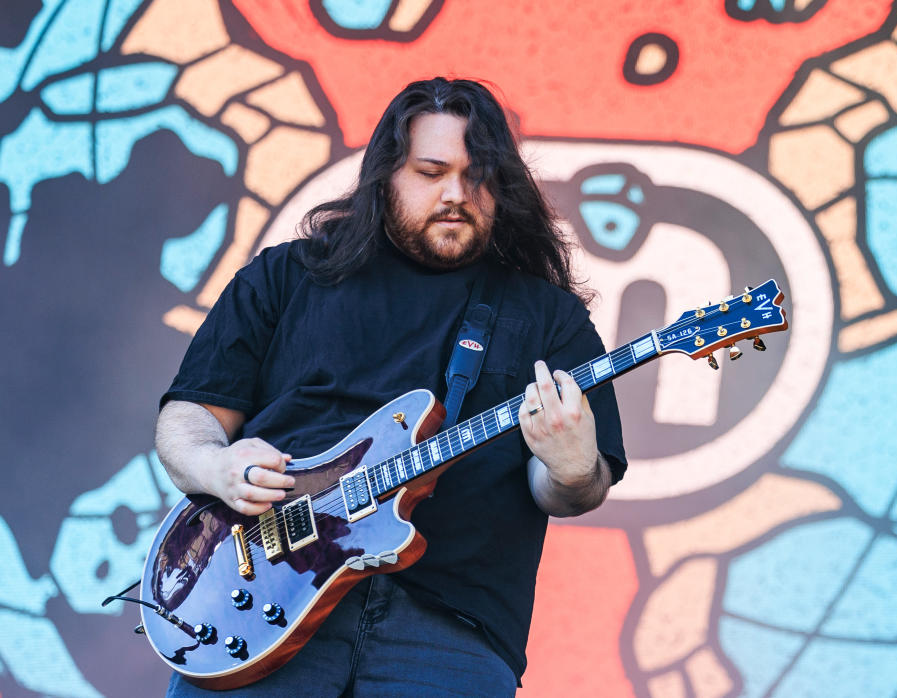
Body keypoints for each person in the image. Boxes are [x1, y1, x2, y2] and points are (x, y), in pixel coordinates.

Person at [155, 77, 626, 696]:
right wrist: (216, 468)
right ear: (386, 177)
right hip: (263, 597)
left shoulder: (548, 318)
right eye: (431, 172)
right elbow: (189, 417)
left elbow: (568, 491)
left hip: (450, 631)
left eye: (477, 175)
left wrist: (571, 468)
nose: (456, 194)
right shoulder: (289, 276)